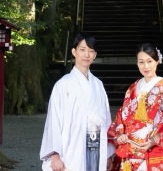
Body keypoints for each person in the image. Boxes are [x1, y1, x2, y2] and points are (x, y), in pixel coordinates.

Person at [41, 33, 114, 171]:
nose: (86, 54)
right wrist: (55, 155)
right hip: (70, 148)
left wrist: (107, 154)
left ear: (95, 55)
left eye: (91, 51)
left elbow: (106, 120)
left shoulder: (98, 85)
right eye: (82, 49)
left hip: (96, 147)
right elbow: (54, 121)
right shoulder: (62, 84)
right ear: (74, 52)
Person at [109, 43, 163, 171]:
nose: (146, 66)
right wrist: (120, 133)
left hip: (154, 147)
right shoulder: (133, 88)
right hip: (131, 148)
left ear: (157, 61)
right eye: (141, 62)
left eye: (150, 61)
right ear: (137, 63)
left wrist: (154, 139)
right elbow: (122, 113)